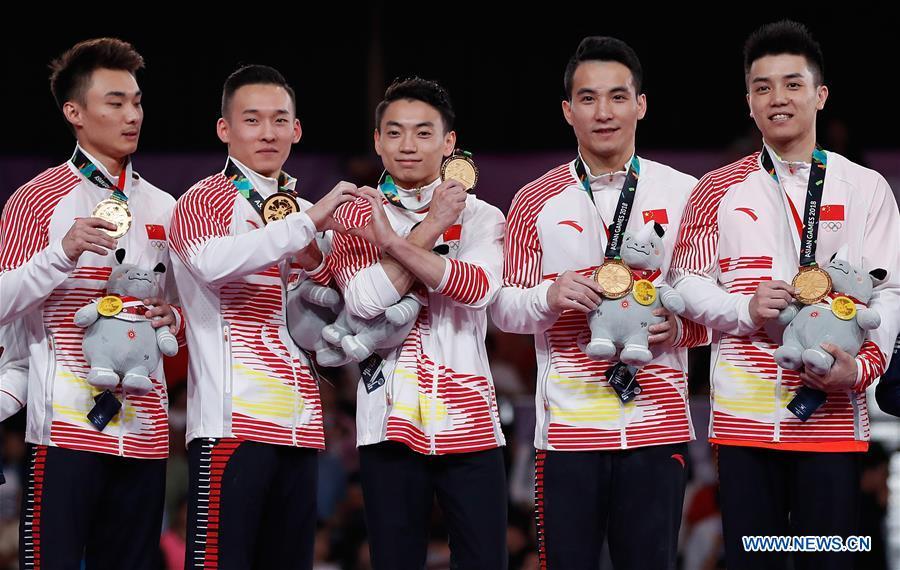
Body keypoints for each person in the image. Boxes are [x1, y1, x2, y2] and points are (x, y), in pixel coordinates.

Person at [668, 20, 900, 569]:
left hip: (832, 416)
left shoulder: (865, 188)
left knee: (827, 560)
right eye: (763, 87)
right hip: (745, 419)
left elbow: (889, 291)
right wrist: (742, 308)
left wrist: (862, 368)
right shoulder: (715, 190)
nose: (778, 98)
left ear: (819, 95)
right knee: (756, 560)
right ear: (749, 102)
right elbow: (685, 280)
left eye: (793, 84)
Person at [0, 37, 183, 569]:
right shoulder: (36, 199)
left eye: (137, 101)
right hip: (64, 429)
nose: (132, 115)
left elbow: (181, 315)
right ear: (74, 113)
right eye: (115, 102)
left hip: (145, 432)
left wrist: (174, 319)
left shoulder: (166, 207)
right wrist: (61, 254)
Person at [168, 64, 356, 569]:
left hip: (299, 425)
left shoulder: (310, 210)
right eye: (252, 120)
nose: (267, 132)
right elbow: (210, 263)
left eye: (279, 120)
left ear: (296, 130)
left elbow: (340, 301)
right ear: (224, 129)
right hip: (231, 424)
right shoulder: (201, 200)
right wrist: (307, 226)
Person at [329, 76, 508, 569]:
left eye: (424, 132)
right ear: (377, 141)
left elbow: (477, 289)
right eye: (395, 132)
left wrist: (391, 246)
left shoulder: (482, 216)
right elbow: (365, 301)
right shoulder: (352, 216)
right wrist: (430, 229)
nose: (408, 145)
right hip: (387, 420)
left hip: (471, 422)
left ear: (449, 142)